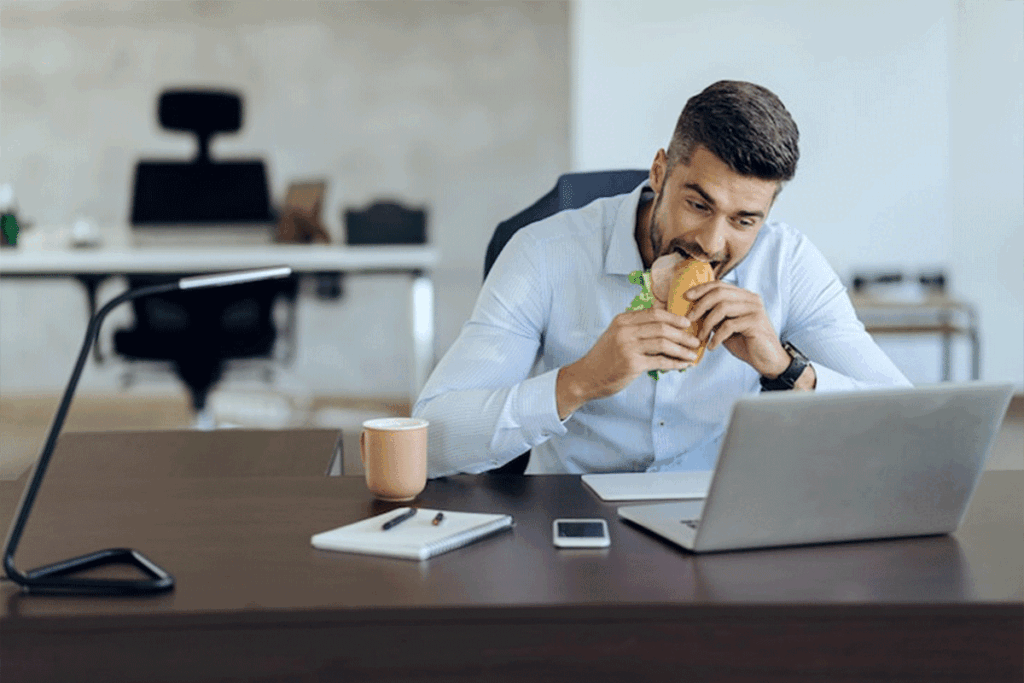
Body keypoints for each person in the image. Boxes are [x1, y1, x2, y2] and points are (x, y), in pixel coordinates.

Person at [413, 80, 912, 477]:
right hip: (573, 521)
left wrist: (784, 368)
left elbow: (908, 428)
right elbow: (429, 440)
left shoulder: (789, 263)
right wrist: (578, 382)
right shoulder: (544, 253)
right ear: (659, 172)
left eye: (744, 220)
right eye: (698, 204)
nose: (713, 245)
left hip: (724, 521)